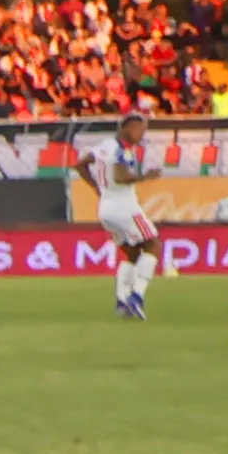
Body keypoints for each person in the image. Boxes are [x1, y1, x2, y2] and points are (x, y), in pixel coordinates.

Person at [81, 111, 160, 320]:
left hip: (106, 209)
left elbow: (79, 164)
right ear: (128, 128)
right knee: (153, 244)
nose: (142, 135)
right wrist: (145, 177)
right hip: (125, 206)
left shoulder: (104, 146)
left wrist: (97, 187)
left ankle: (122, 301)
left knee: (132, 252)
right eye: (140, 130)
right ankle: (137, 296)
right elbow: (120, 176)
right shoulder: (123, 149)